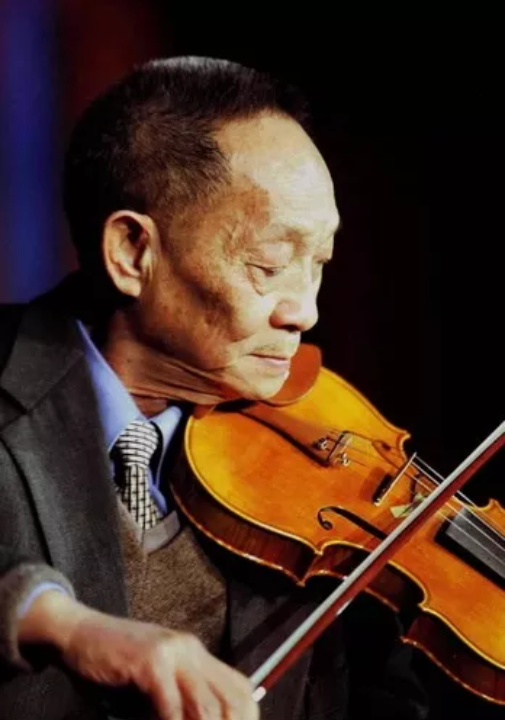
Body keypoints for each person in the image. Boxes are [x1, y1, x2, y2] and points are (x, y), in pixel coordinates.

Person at [0, 56, 429, 719]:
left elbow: (384, 696)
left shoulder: (324, 471)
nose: (305, 312)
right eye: (269, 264)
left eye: (318, 263)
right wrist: (61, 621)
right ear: (132, 252)